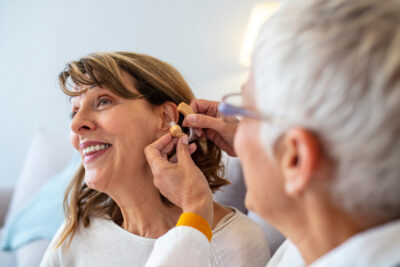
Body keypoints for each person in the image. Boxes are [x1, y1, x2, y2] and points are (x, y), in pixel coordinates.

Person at [143, 0, 400, 266]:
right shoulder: (320, 241)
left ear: (295, 158)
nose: (237, 130)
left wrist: (194, 209)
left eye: (247, 111)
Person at [39, 52, 270, 267]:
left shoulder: (234, 242)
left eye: (103, 101)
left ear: (166, 118)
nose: (75, 124)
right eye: (74, 111)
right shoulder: (75, 233)